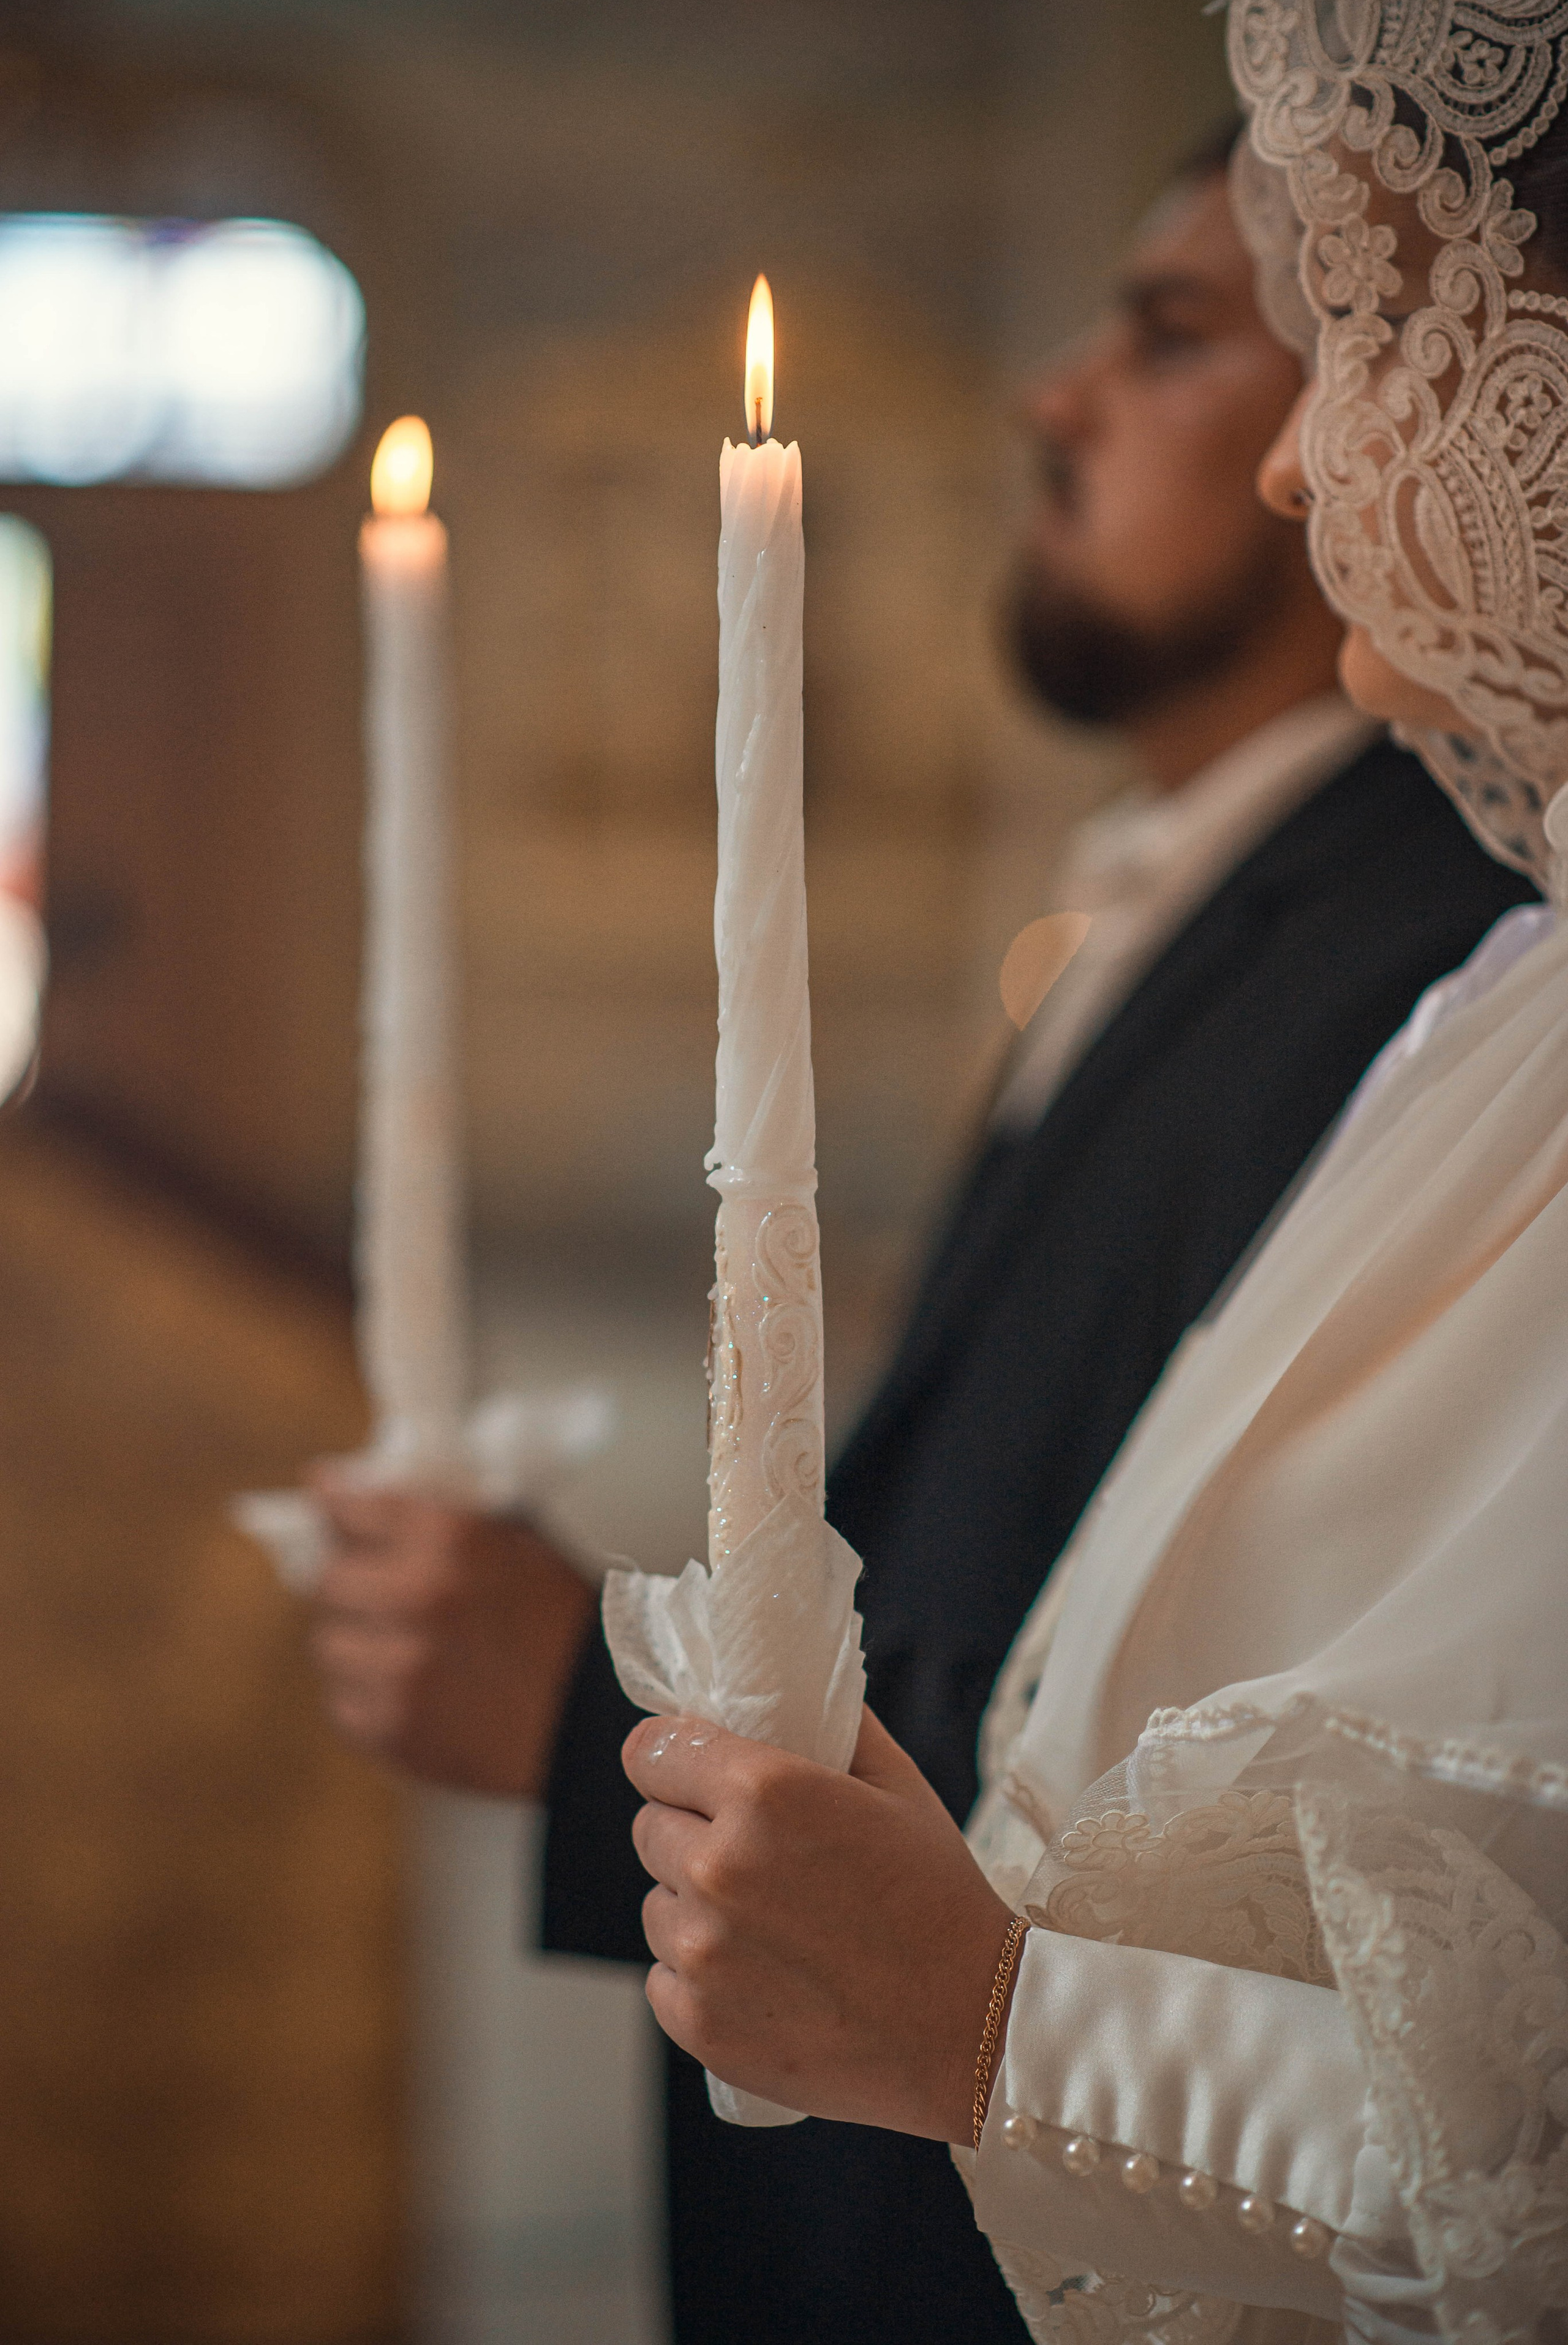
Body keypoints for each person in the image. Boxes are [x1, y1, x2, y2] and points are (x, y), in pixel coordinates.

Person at [307, 121, 1537, 2345]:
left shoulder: (1436, 943)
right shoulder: (1206, 898)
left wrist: (593, 1725)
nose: (1051, 394)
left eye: (1174, 334)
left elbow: (1248, 1763)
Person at [620, 3, 1568, 2336]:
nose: (1293, 474)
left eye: (1375, 338)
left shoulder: (1426, 963)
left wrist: (996, 2032)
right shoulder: (1491, 1025)